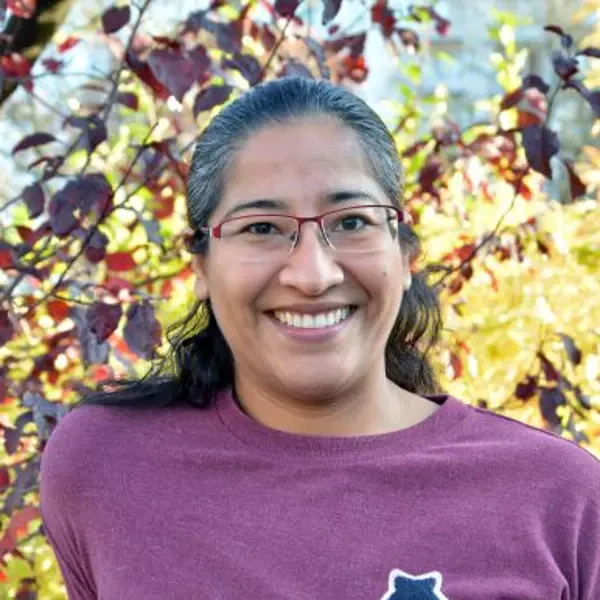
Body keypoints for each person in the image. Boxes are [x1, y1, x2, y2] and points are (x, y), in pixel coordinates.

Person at [39, 77, 599, 600]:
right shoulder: (108, 468)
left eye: (351, 221)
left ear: (405, 255)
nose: (313, 275)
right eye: (261, 228)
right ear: (202, 268)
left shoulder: (561, 498)